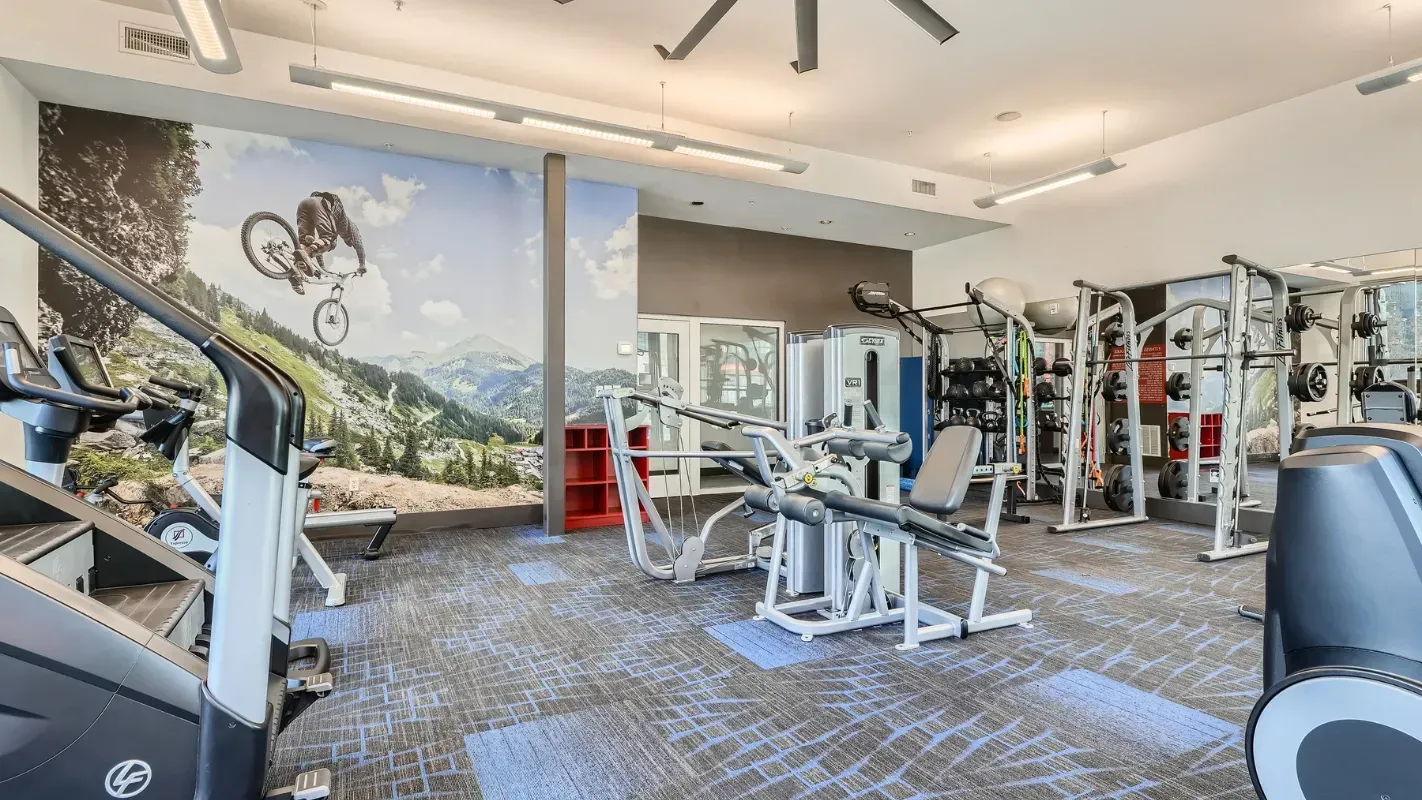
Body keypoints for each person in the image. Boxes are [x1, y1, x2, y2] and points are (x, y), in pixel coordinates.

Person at [289, 191, 367, 294]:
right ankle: (306, 253)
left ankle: (295, 274)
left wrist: (321, 267)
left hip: (303, 204)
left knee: (305, 244)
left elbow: (319, 248)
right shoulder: (349, 226)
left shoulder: (332, 225)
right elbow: (359, 245)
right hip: (320, 204)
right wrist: (362, 264)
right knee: (330, 241)